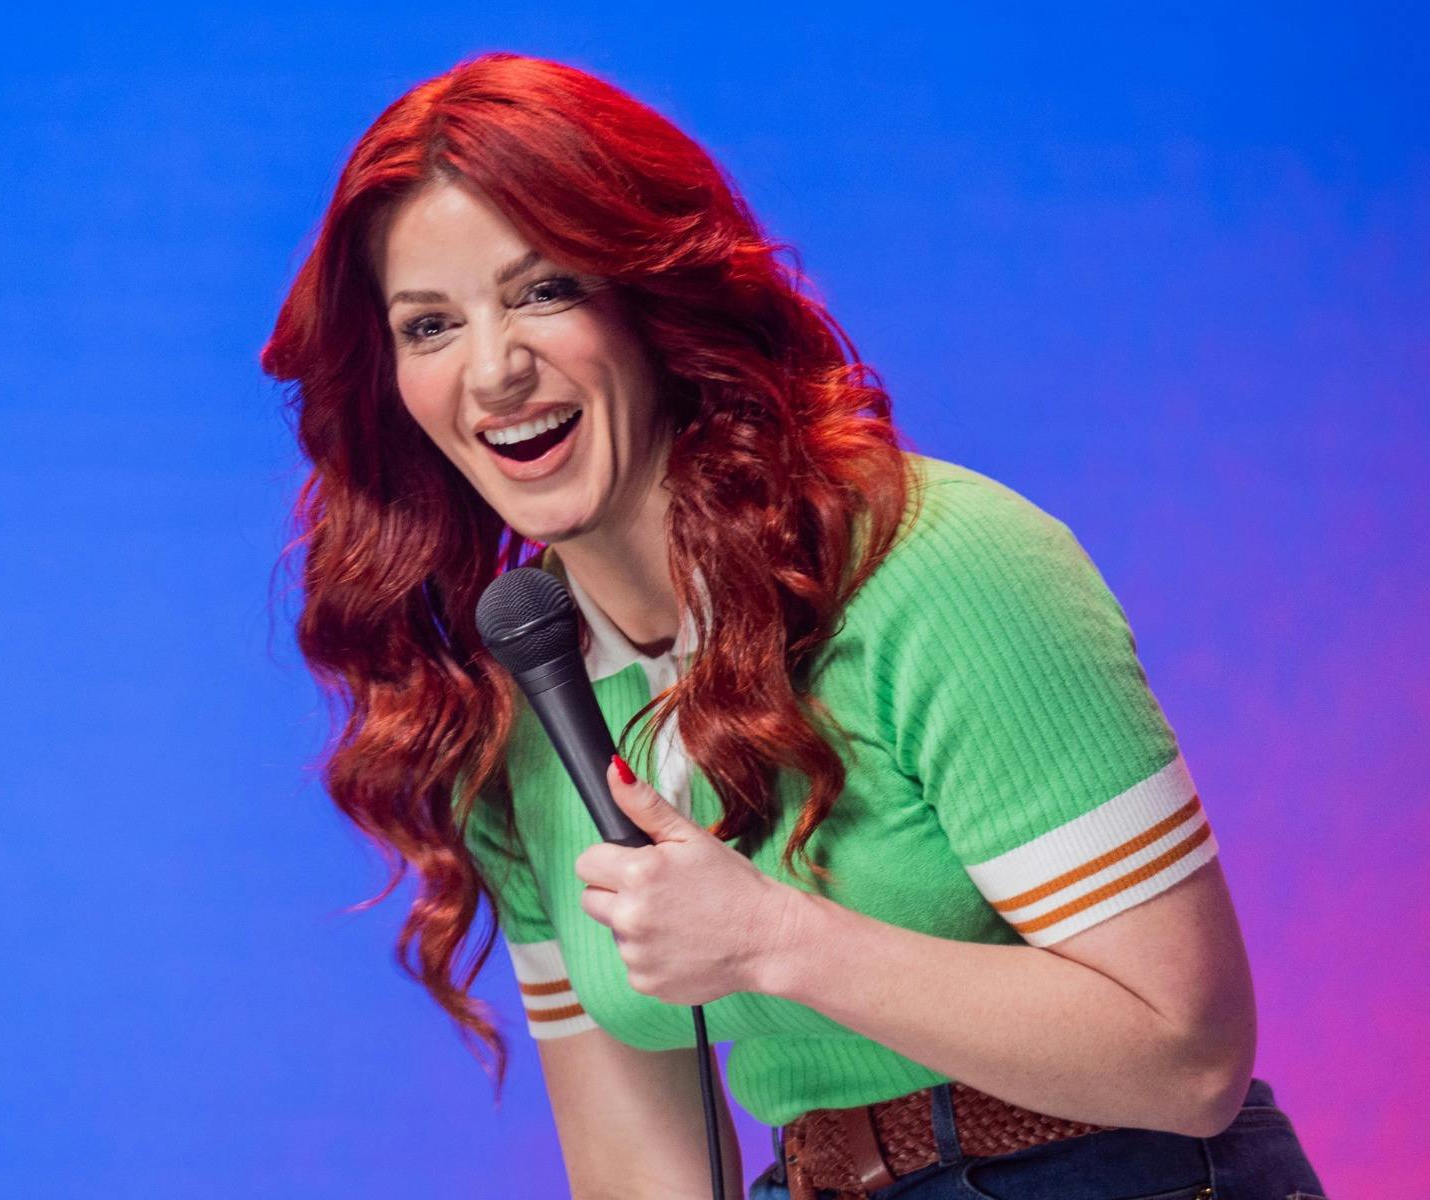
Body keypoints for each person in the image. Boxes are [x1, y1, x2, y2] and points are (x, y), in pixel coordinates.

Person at [261, 51, 1328, 1200]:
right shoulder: (520, 713)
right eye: (428, 327)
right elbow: (641, 1171)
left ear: (652, 297)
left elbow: (1189, 1057)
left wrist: (776, 939)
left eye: (544, 290)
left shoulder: (938, 567)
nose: (493, 371)